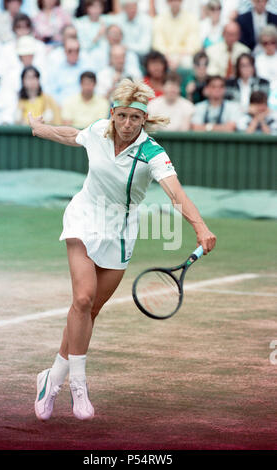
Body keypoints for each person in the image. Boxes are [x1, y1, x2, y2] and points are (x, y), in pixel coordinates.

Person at [27, 77, 217, 421]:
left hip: (121, 233)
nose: (127, 124)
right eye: (122, 116)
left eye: (135, 118)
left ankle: (51, 377)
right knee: (82, 299)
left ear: (145, 120)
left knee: (90, 311)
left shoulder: (153, 153)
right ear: (113, 114)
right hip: (84, 218)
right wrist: (41, 129)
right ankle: (78, 385)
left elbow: (176, 194)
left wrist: (199, 226)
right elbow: (74, 135)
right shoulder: (100, 129)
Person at [44, 37, 96, 104]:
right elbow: (51, 91)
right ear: (64, 51)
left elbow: (93, 88)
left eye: (77, 50)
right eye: (70, 51)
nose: (74, 53)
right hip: (62, 107)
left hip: (85, 105)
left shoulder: (87, 67)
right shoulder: (56, 69)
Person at [152, 0, 201, 70]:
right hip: (165, 55)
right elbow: (157, 43)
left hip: (184, 56)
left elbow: (193, 44)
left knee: (188, 63)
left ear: (181, 1)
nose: (175, 3)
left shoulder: (191, 18)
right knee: (158, 63)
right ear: (168, 2)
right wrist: (168, 59)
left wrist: (179, 59)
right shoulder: (159, 19)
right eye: (172, 0)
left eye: (177, 0)